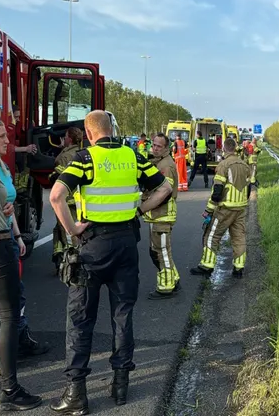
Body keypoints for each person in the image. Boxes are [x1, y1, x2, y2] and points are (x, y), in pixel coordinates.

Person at [49, 111, 171, 413]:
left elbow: (56, 196)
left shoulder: (85, 158)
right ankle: (120, 386)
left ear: (89, 134)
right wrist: (140, 211)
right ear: (111, 129)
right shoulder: (133, 156)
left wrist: (73, 230)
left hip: (93, 246)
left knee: (80, 319)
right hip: (126, 243)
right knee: (122, 314)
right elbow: (165, 188)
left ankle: (76, 393)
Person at [0, 118, 42, 410]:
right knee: (9, 316)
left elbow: (5, 203)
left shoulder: (2, 166)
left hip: (5, 237)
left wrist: (16, 231)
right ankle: (9, 390)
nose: (6, 140)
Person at [190, 138, 249, 279]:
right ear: (235, 148)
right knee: (239, 237)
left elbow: (217, 190)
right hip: (240, 208)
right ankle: (238, 268)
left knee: (212, 235)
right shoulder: (244, 165)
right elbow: (248, 186)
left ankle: (207, 266)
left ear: (224, 148)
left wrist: (209, 210)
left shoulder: (223, 165)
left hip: (225, 207)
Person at [143, 133, 181, 299]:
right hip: (157, 215)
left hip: (162, 215)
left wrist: (143, 207)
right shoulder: (158, 162)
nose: (155, 148)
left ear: (166, 148)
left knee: (161, 252)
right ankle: (173, 278)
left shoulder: (166, 166)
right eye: (154, 145)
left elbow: (164, 193)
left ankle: (166, 287)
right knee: (157, 251)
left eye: (159, 146)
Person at [50, 127, 83, 273]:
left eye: (65, 136)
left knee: (67, 231)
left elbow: (58, 176)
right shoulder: (81, 153)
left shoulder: (66, 156)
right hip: (77, 199)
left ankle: (72, 261)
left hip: (67, 199)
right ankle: (64, 258)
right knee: (69, 228)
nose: (63, 138)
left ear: (69, 138)